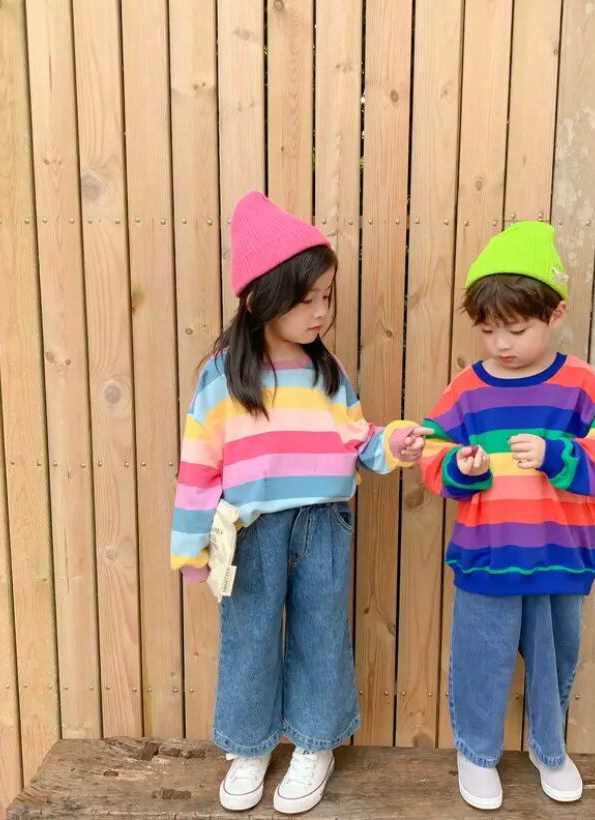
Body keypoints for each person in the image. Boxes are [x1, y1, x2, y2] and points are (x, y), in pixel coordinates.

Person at [171, 190, 430, 814]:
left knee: (321, 635)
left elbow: (358, 441)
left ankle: (315, 743)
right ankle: (250, 747)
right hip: (250, 530)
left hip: (324, 527)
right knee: (250, 639)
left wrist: (393, 444)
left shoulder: (328, 371)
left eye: (327, 297)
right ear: (260, 298)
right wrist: (191, 547)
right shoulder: (222, 376)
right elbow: (199, 466)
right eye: (306, 298)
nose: (321, 311)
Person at [419, 221, 595, 810]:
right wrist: (461, 465)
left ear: (555, 313)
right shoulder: (468, 387)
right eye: (488, 330)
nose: (501, 345)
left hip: (560, 555)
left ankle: (549, 748)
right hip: (487, 554)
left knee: (553, 660)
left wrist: (557, 454)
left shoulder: (581, 384)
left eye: (516, 330)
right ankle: (476, 751)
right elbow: (434, 448)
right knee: (481, 658)